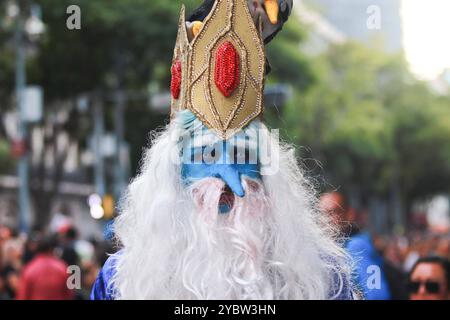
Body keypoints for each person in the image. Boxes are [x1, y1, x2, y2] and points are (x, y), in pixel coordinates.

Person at [91, 0, 354, 300]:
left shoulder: (321, 277)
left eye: (242, 156)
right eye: (207, 155)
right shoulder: (120, 280)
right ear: (174, 173)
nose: (226, 180)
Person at [320, 192, 391, 299]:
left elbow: (377, 294)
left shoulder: (356, 246)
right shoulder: (331, 248)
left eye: (333, 212)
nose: (325, 219)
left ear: (349, 214)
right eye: (320, 213)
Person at [16, 235, 74, 300]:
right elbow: (69, 294)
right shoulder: (62, 268)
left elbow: (22, 295)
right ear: (52, 249)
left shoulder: (29, 269)